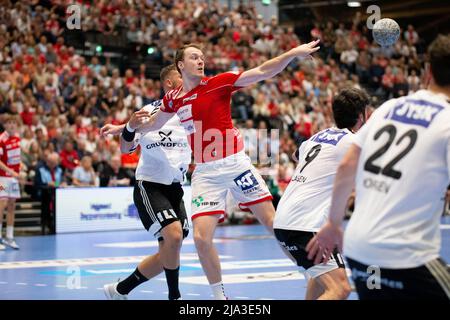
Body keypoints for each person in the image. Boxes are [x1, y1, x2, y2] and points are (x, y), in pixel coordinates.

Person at [131, 40, 321, 299]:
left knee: (274, 224)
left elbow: (264, 70)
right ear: (180, 65)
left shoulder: (220, 82)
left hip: (236, 164)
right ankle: (220, 297)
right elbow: (153, 124)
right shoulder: (174, 99)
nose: (201, 61)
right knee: (200, 238)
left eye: (202, 58)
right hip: (206, 172)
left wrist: (294, 53)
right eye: (195, 57)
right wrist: (125, 128)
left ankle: (312, 272)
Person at [307, 35, 450, 300]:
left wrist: (333, 223)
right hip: (407, 256)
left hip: (360, 251)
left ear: (428, 71)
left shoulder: (390, 107)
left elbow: (349, 164)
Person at [102, 64, 191, 300]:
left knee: (170, 251)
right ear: (170, 84)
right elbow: (125, 147)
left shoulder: (193, 111)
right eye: (182, 76)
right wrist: (128, 127)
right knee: (173, 236)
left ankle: (120, 290)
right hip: (150, 185)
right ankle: (175, 297)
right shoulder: (150, 111)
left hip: (175, 187)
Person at [274, 88, 369, 300]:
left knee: (319, 279)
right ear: (362, 116)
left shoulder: (317, 136)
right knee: (340, 289)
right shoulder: (354, 142)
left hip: (284, 221)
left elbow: (296, 155)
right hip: (306, 225)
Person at [0, 114, 22, 250]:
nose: (12, 125)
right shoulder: (1, 139)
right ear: (5, 125)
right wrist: (11, 171)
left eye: (14, 122)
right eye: (9, 123)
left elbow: (16, 157)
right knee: (1, 205)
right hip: (2, 178)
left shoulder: (17, 137)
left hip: (14, 179)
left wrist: (21, 167)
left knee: (12, 206)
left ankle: (9, 237)